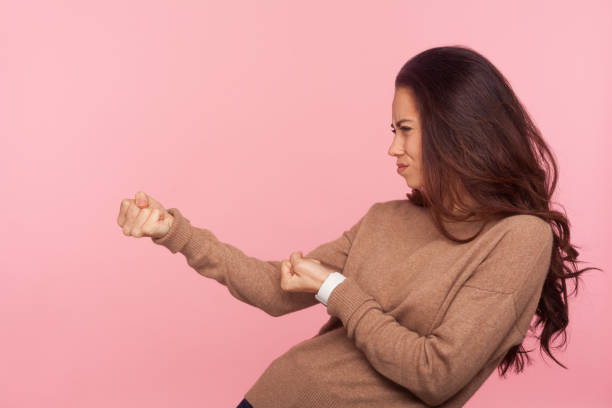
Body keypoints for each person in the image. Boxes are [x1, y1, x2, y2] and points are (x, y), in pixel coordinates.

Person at [117, 45, 600, 407]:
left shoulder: (518, 238)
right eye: (392, 131)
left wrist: (336, 289)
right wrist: (172, 231)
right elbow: (273, 288)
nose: (393, 148)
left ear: (458, 129)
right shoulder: (384, 220)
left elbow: (436, 374)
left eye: (405, 130)